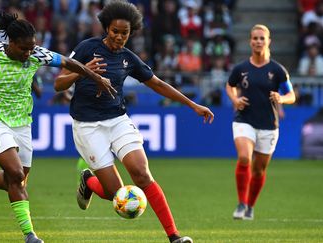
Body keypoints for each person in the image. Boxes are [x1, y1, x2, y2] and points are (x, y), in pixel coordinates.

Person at [0, 11, 116, 243]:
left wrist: (95, 78)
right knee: (16, 174)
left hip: (22, 125)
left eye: (32, 48)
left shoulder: (37, 55)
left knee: (16, 182)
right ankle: (30, 235)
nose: (28, 53)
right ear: (10, 43)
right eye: (23, 48)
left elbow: (69, 62)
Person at [54, 1, 214, 242]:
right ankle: (89, 181)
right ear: (106, 28)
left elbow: (158, 84)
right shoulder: (87, 48)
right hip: (87, 126)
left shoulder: (129, 59)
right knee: (115, 193)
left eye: (124, 33)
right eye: (115, 31)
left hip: (118, 120)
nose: (119, 37)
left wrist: (192, 104)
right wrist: (84, 71)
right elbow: (58, 84)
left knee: (141, 174)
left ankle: (174, 236)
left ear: (131, 33)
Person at [225, 24, 296, 220]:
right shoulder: (241, 68)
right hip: (244, 120)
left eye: (261, 38)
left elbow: (291, 95)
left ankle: (250, 206)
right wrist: (235, 100)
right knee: (245, 158)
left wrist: (282, 99)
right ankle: (240, 204)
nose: (258, 41)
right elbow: (230, 86)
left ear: (268, 41)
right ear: (250, 41)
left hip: (268, 125)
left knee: (259, 170)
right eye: (255, 38)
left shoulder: (278, 70)